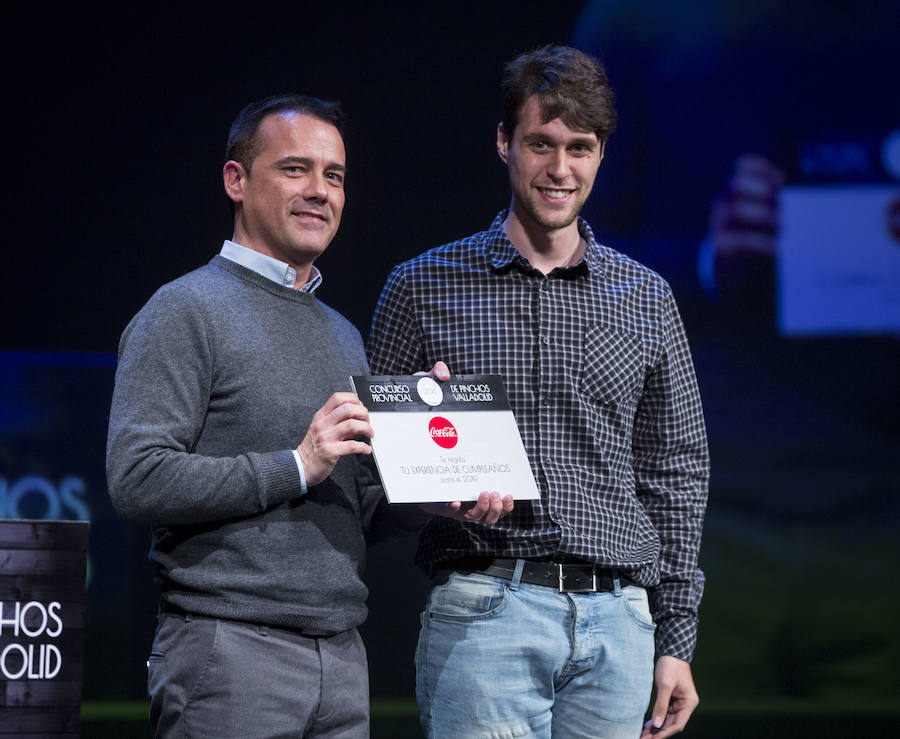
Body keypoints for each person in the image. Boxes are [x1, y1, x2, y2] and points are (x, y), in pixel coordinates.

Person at [106, 93, 510, 738]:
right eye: (295, 169)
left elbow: (356, 509)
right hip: (229, 651)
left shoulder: (343, 334)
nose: (319, 191)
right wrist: (296, 464)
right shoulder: (183, 310)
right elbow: (137, 479)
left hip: (343, 657)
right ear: (236, 181)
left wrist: (431, 494)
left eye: (335, 176)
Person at [367, 46, 709, 738]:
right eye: (541, 144)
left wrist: (675, 639)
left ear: (602, 154)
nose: (560, 169)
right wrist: (430, 492)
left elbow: (677, 471)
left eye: (579, 148)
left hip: (619, 623)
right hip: (485, 604)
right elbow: (368, 474)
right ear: (504, 142)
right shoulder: (421, 287)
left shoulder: (645, 296)